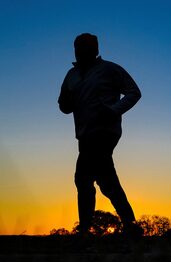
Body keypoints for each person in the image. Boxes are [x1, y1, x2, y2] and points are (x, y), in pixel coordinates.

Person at [58, 33, 142, 236]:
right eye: (78, 47)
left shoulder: (110, 69)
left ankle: (85, 230)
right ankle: (130, 224)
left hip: (105, 131)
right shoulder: (72, 75)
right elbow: (63, 105)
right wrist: (68, 101)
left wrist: (114, 109)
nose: (81, 51)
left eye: (86, 47)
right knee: (106, 180)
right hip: (84, 134)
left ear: (95, 49)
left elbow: (134, 92)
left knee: (83, 177)